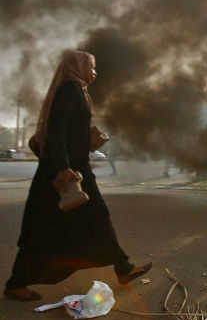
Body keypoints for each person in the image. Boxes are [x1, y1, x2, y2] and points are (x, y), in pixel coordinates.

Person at [4, 51, 151, 302]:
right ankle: (16, 284)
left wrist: (88, 140)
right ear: (78, 66)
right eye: (92, 67)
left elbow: (70, 131)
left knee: (97, 217)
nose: (95, 73)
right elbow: (56, 133)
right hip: (62, 175)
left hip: (78, 170)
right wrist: (63, 168)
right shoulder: (68, 90)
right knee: (41, 229)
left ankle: (123, 267)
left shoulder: (79, 90)